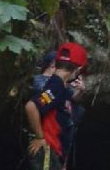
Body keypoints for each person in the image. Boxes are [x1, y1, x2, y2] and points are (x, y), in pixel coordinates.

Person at [24, 42, 88, 170]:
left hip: (54, 152)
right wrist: (40, 137)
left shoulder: (60, 86)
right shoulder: (55, 86)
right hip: (47, 148)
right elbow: (31, 107)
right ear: (78, 69)